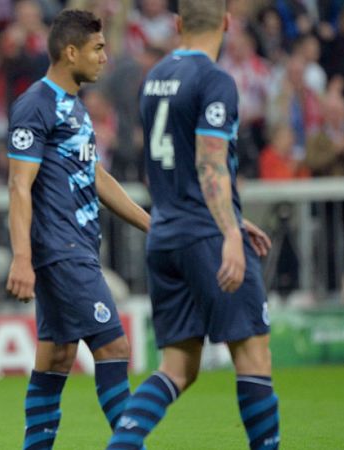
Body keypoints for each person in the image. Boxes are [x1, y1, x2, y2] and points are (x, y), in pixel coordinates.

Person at [107, 1, 280, 449]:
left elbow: (161, 164)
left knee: (178, 368)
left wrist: (234, 220)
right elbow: (209, 163)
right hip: (205, 233)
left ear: (180, 24)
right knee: (254, 357)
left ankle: (120, 445)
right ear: (226, 22)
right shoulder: (215, 79)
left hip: (165, 233)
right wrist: (230, 233)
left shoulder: (155, 78)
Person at [4, 9, 150, 450]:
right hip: (60, 249)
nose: (105, 57)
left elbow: (97, 177)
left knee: (57, 357)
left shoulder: (75, 107)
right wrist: (24, 258)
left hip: (77, 245)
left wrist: (151, 224)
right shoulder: (36, 104)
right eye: (97, 48)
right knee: (114, 347)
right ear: (71, 52)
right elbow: (18, 184)